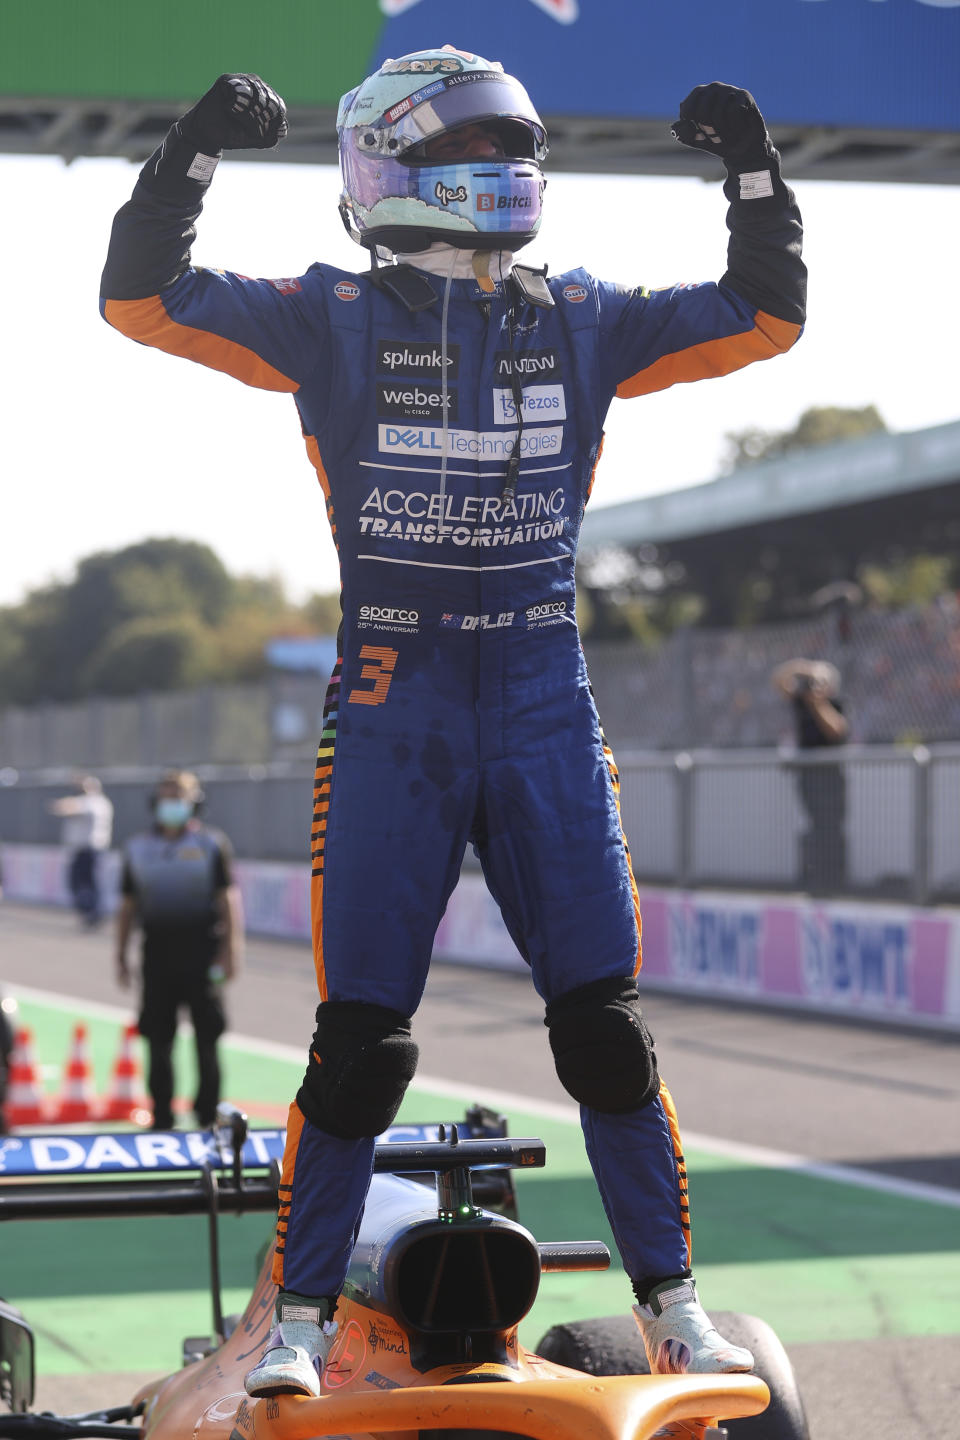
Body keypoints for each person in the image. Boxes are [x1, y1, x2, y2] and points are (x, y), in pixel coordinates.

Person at [100, 50, 805, 1406]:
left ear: (375, 175)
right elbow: (139, 298)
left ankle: (672, 1312)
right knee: (361, 1044)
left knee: (603, 1030)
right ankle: (301, 1320)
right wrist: (188, 153)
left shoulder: (581, 316)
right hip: (393, 710)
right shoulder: (329, 318)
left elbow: (763, 315)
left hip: (539, 703)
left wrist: (756, 179)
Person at [114, 770, 243, 1130]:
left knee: (207, 1038)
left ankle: (206, 1117)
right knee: (157, 1039)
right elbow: (127, 906)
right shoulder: (137, 848)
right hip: (157, 955)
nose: (172, 804)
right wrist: (120, 954)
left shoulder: (212, 844)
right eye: (166, 797)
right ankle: (162, 1116)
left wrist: (231, 952)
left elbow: (228, 900)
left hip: (203, 954)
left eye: (180, 797)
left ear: (194, 803)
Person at [773, 658, 849, 893]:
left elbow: (837, 730)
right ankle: (813, 877)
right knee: (814, 826)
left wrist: (818, 702)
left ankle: (834, 879)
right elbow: (778, 680)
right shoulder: (801, 701)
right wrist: (802, 668)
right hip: (809, 778)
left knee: (832, 826)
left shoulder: (833, 704)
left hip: (831, 778)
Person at [48, 775, 114, 927]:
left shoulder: (95, 802)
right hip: (81, 850)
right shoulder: (89, 801)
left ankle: (93, 913)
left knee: (86, 883)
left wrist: (60, 805)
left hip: (89, 850)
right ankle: (89, 913)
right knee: (79, 883)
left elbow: (70, 807)